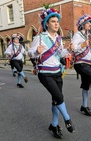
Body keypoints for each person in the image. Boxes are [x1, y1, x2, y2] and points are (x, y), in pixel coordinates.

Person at [28, 5, 75, 139]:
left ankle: (54, 125)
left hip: (57, 72)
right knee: (59, 98)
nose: (56, 24)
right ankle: (67, 119)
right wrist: (36, 51)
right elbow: (30, 53)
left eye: (57, 21)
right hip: (44, 73)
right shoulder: (40, 38)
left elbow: (60, 55)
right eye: (53, 21)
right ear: (47, 23)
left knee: (56, 100)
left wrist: (69, 50)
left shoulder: (59, 39)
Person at [71, 14, 91, 116]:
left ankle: (84, 106)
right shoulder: (77, 35)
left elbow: (89, 50)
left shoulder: (87, 36)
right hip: (80, 63)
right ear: (83, 24)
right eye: (88, 23)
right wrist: (83, 44)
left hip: (86, 63)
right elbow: (73, 48)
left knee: (86, 85)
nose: (90, 24)